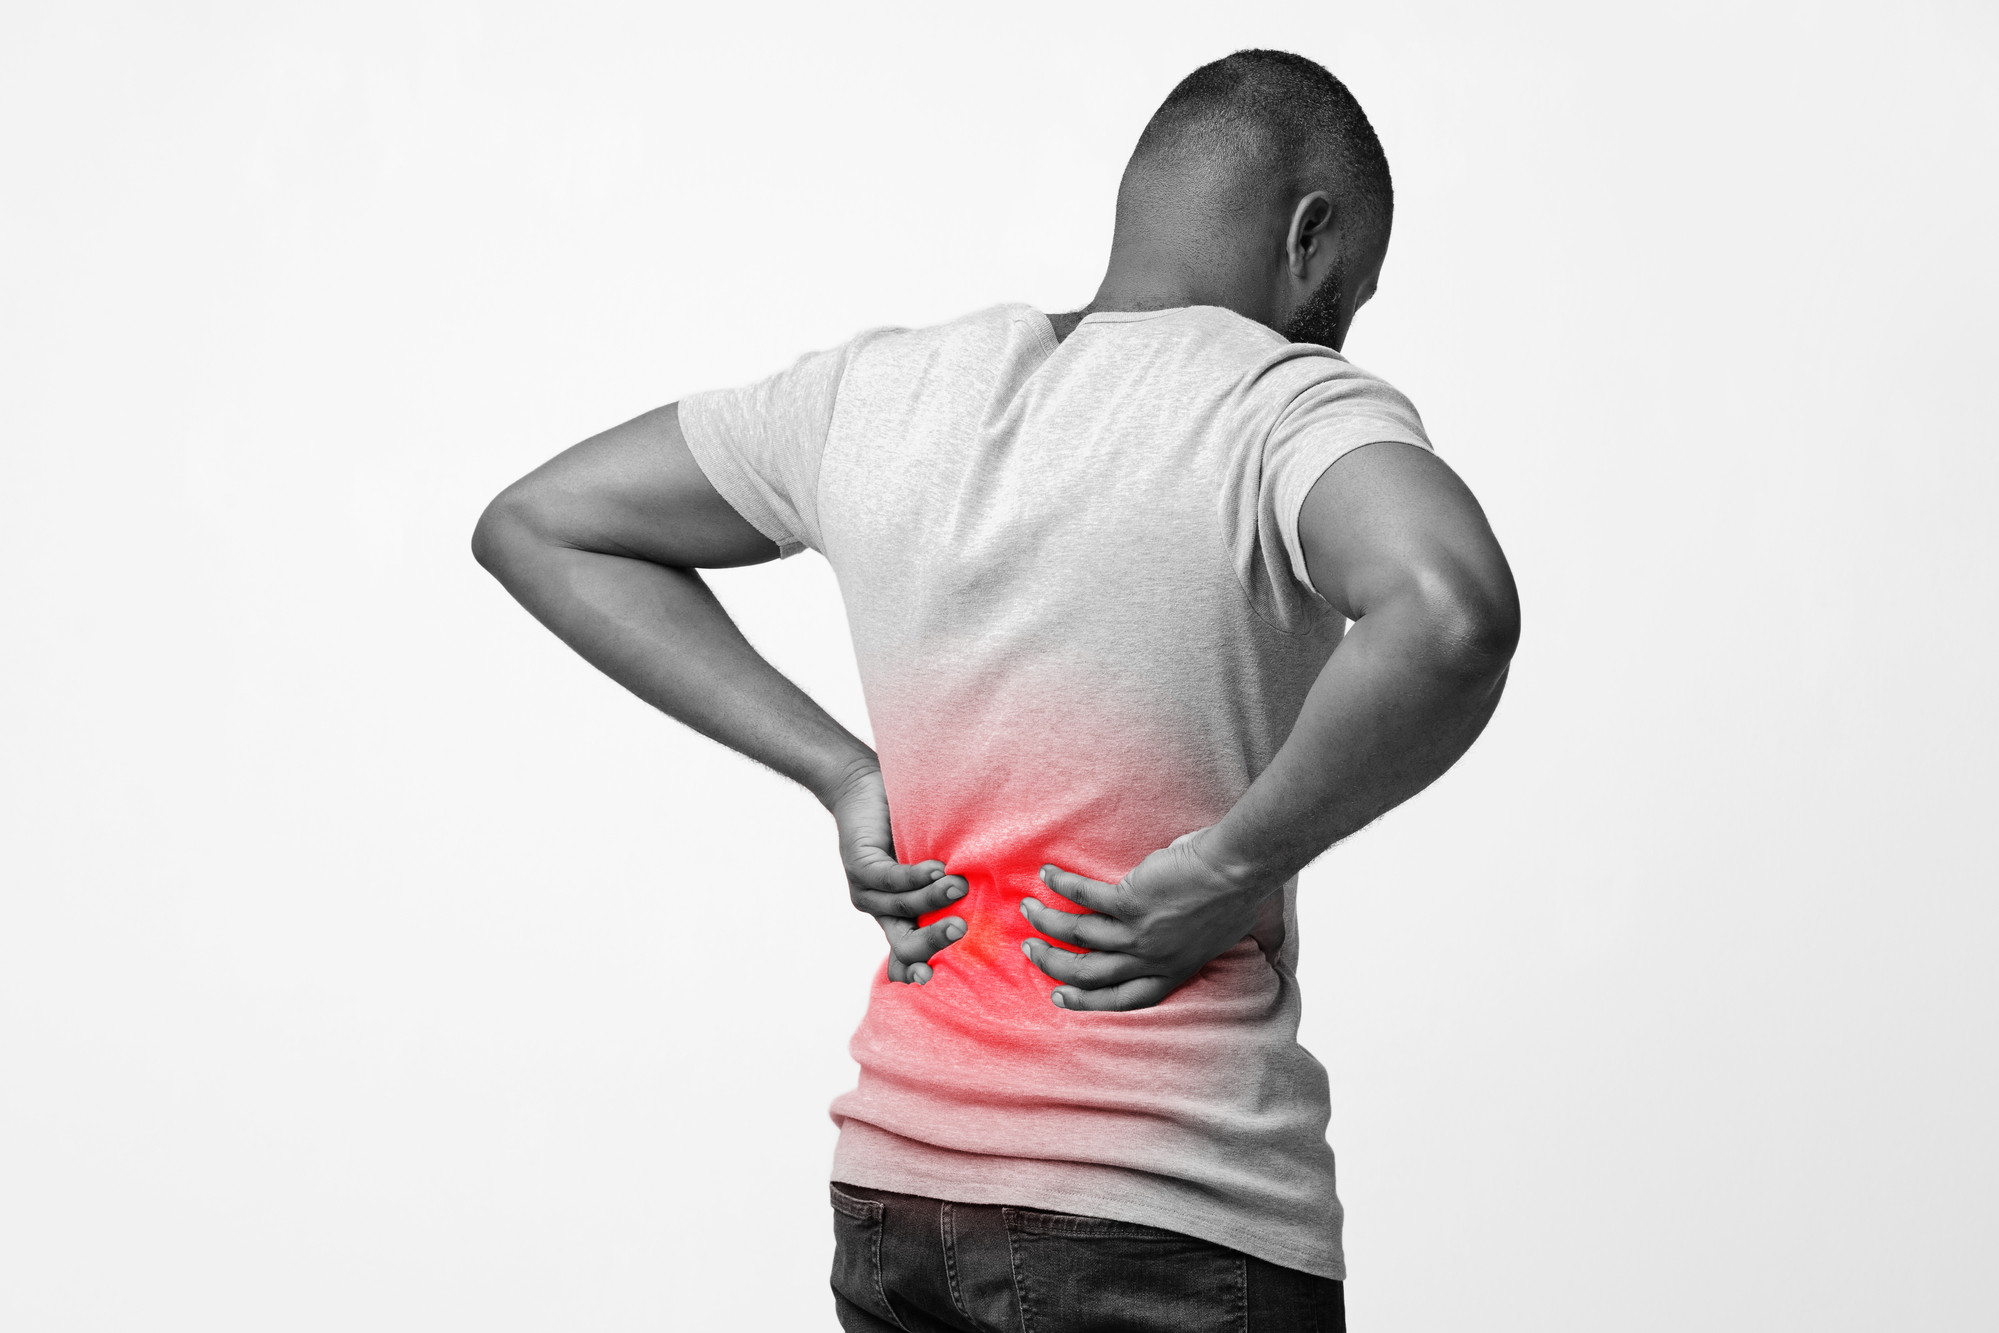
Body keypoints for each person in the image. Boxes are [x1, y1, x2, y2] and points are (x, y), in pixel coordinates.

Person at [473, 47, 1517, 1333]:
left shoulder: (880, 392)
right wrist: (1232, 865)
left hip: (900, 1198)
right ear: (1312, 238)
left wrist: (847, 771)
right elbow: (1452, 610)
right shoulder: (1275, 404)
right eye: (1349, 294)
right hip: (1170, 1198)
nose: (1342, 329)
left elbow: (542, 523)